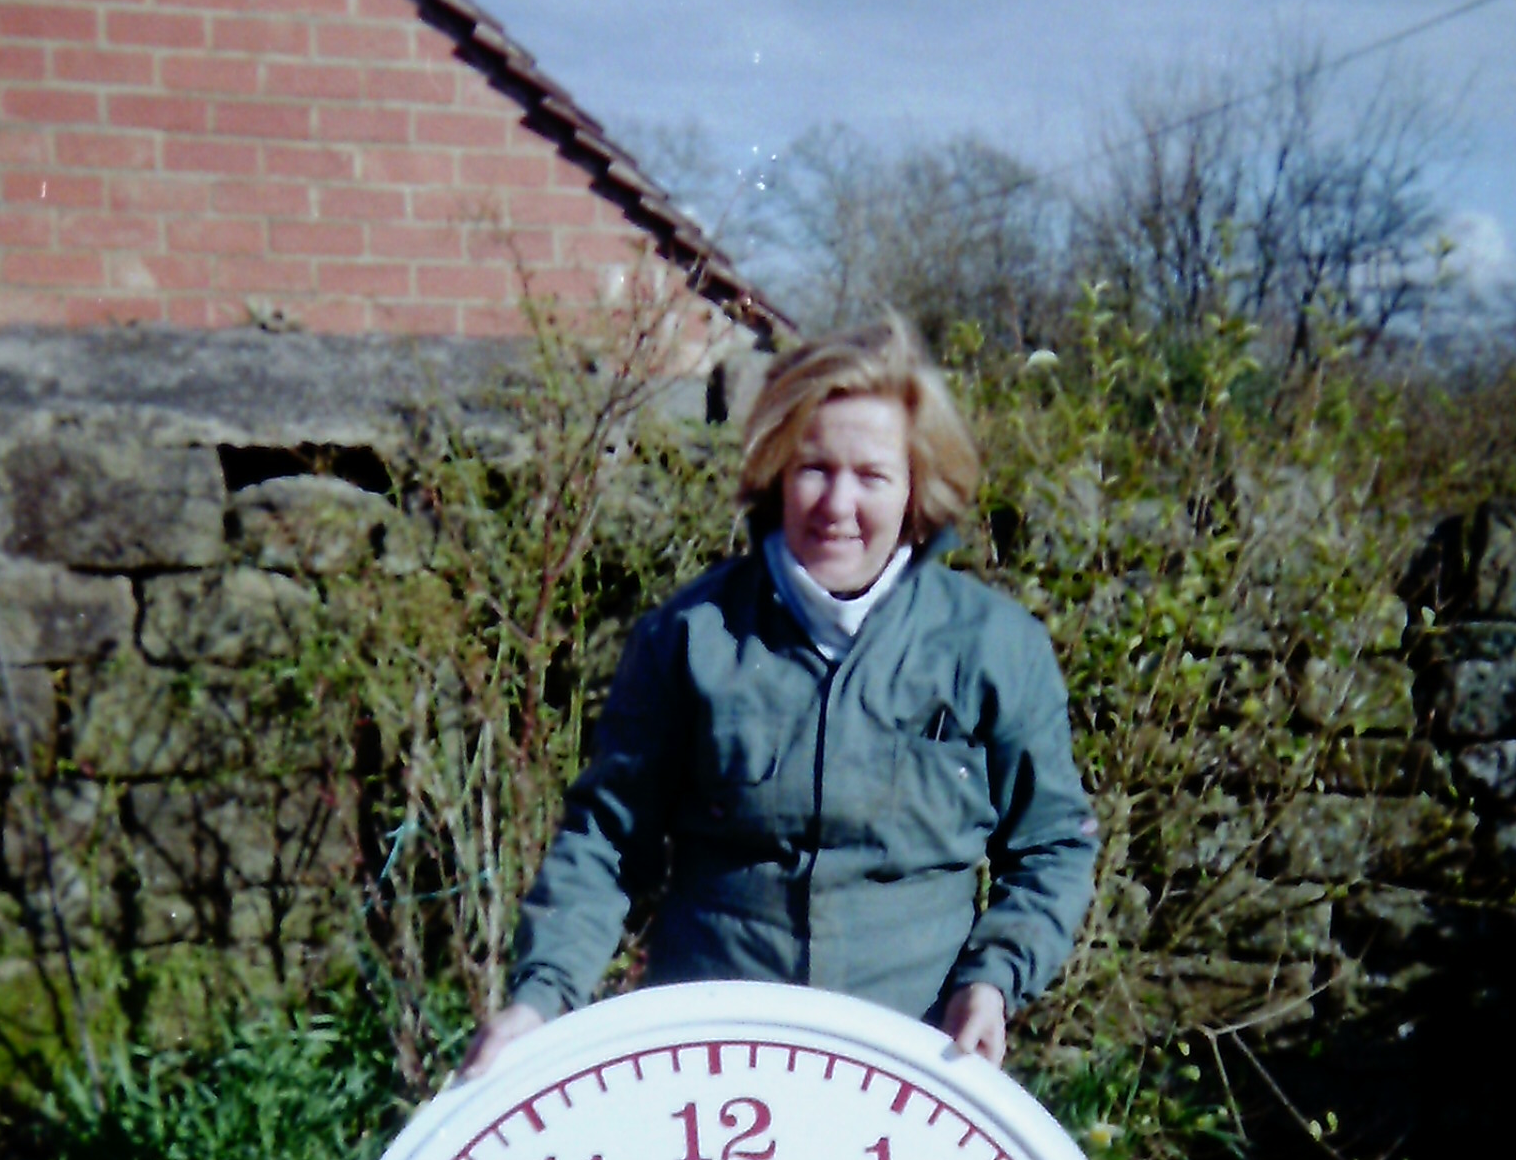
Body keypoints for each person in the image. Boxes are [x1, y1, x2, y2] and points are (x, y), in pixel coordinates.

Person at [462, 316, 1096, 1079]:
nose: (837, 503)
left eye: (871, 475)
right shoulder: (687, 639)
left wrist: (994, 979)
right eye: (813, 468)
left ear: (917, 487)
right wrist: (541, 999)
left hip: (913, 1064)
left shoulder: (993, 645)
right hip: (712, 1062)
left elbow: (1052, 846)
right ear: (774, 475)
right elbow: (605, 841)